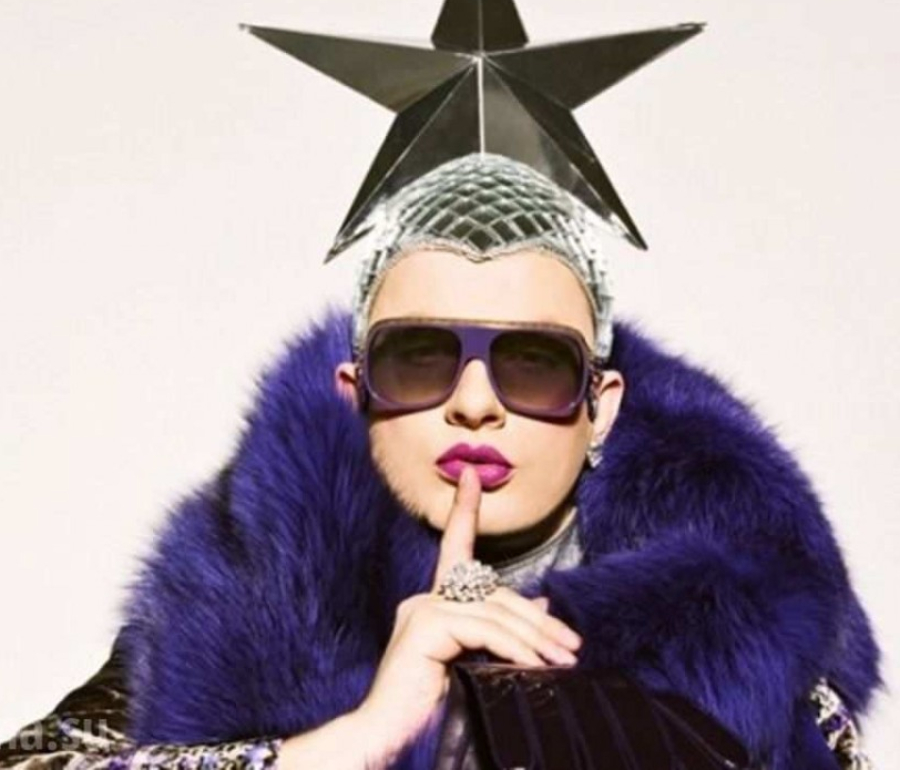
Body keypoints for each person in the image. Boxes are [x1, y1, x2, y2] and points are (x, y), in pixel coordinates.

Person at [0, 154, 879, 770]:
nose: (474, 401)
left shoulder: (753, 624)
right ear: (356, 393)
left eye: (533, 364)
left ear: (600, 406)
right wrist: (362, 736)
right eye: (419, 359)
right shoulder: (231, 587)